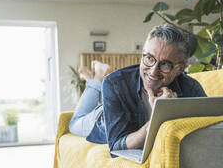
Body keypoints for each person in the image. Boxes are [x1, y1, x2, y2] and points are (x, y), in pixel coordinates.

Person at [69, 24, 206, 154]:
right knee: (74, 124)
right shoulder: (115, 82)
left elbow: (209, 131)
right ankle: (97, 77)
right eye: (149, 58)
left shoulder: (191, 88)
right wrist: (160, 115)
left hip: (118, 102)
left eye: (165, 64)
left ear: (180, 69)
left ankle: (95, 77)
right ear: (143, 54)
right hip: (103, 118)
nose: (153, 72)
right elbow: (116, 145)